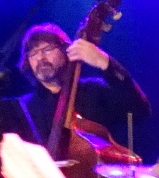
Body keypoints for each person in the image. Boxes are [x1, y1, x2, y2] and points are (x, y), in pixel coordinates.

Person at [18, 22, 150, 150]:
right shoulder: (24, 108)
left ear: (66, 51)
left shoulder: (94, 91)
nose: (40, 57)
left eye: (47, 50)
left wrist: (105, 62)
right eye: (33, 53)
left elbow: (140, 109)